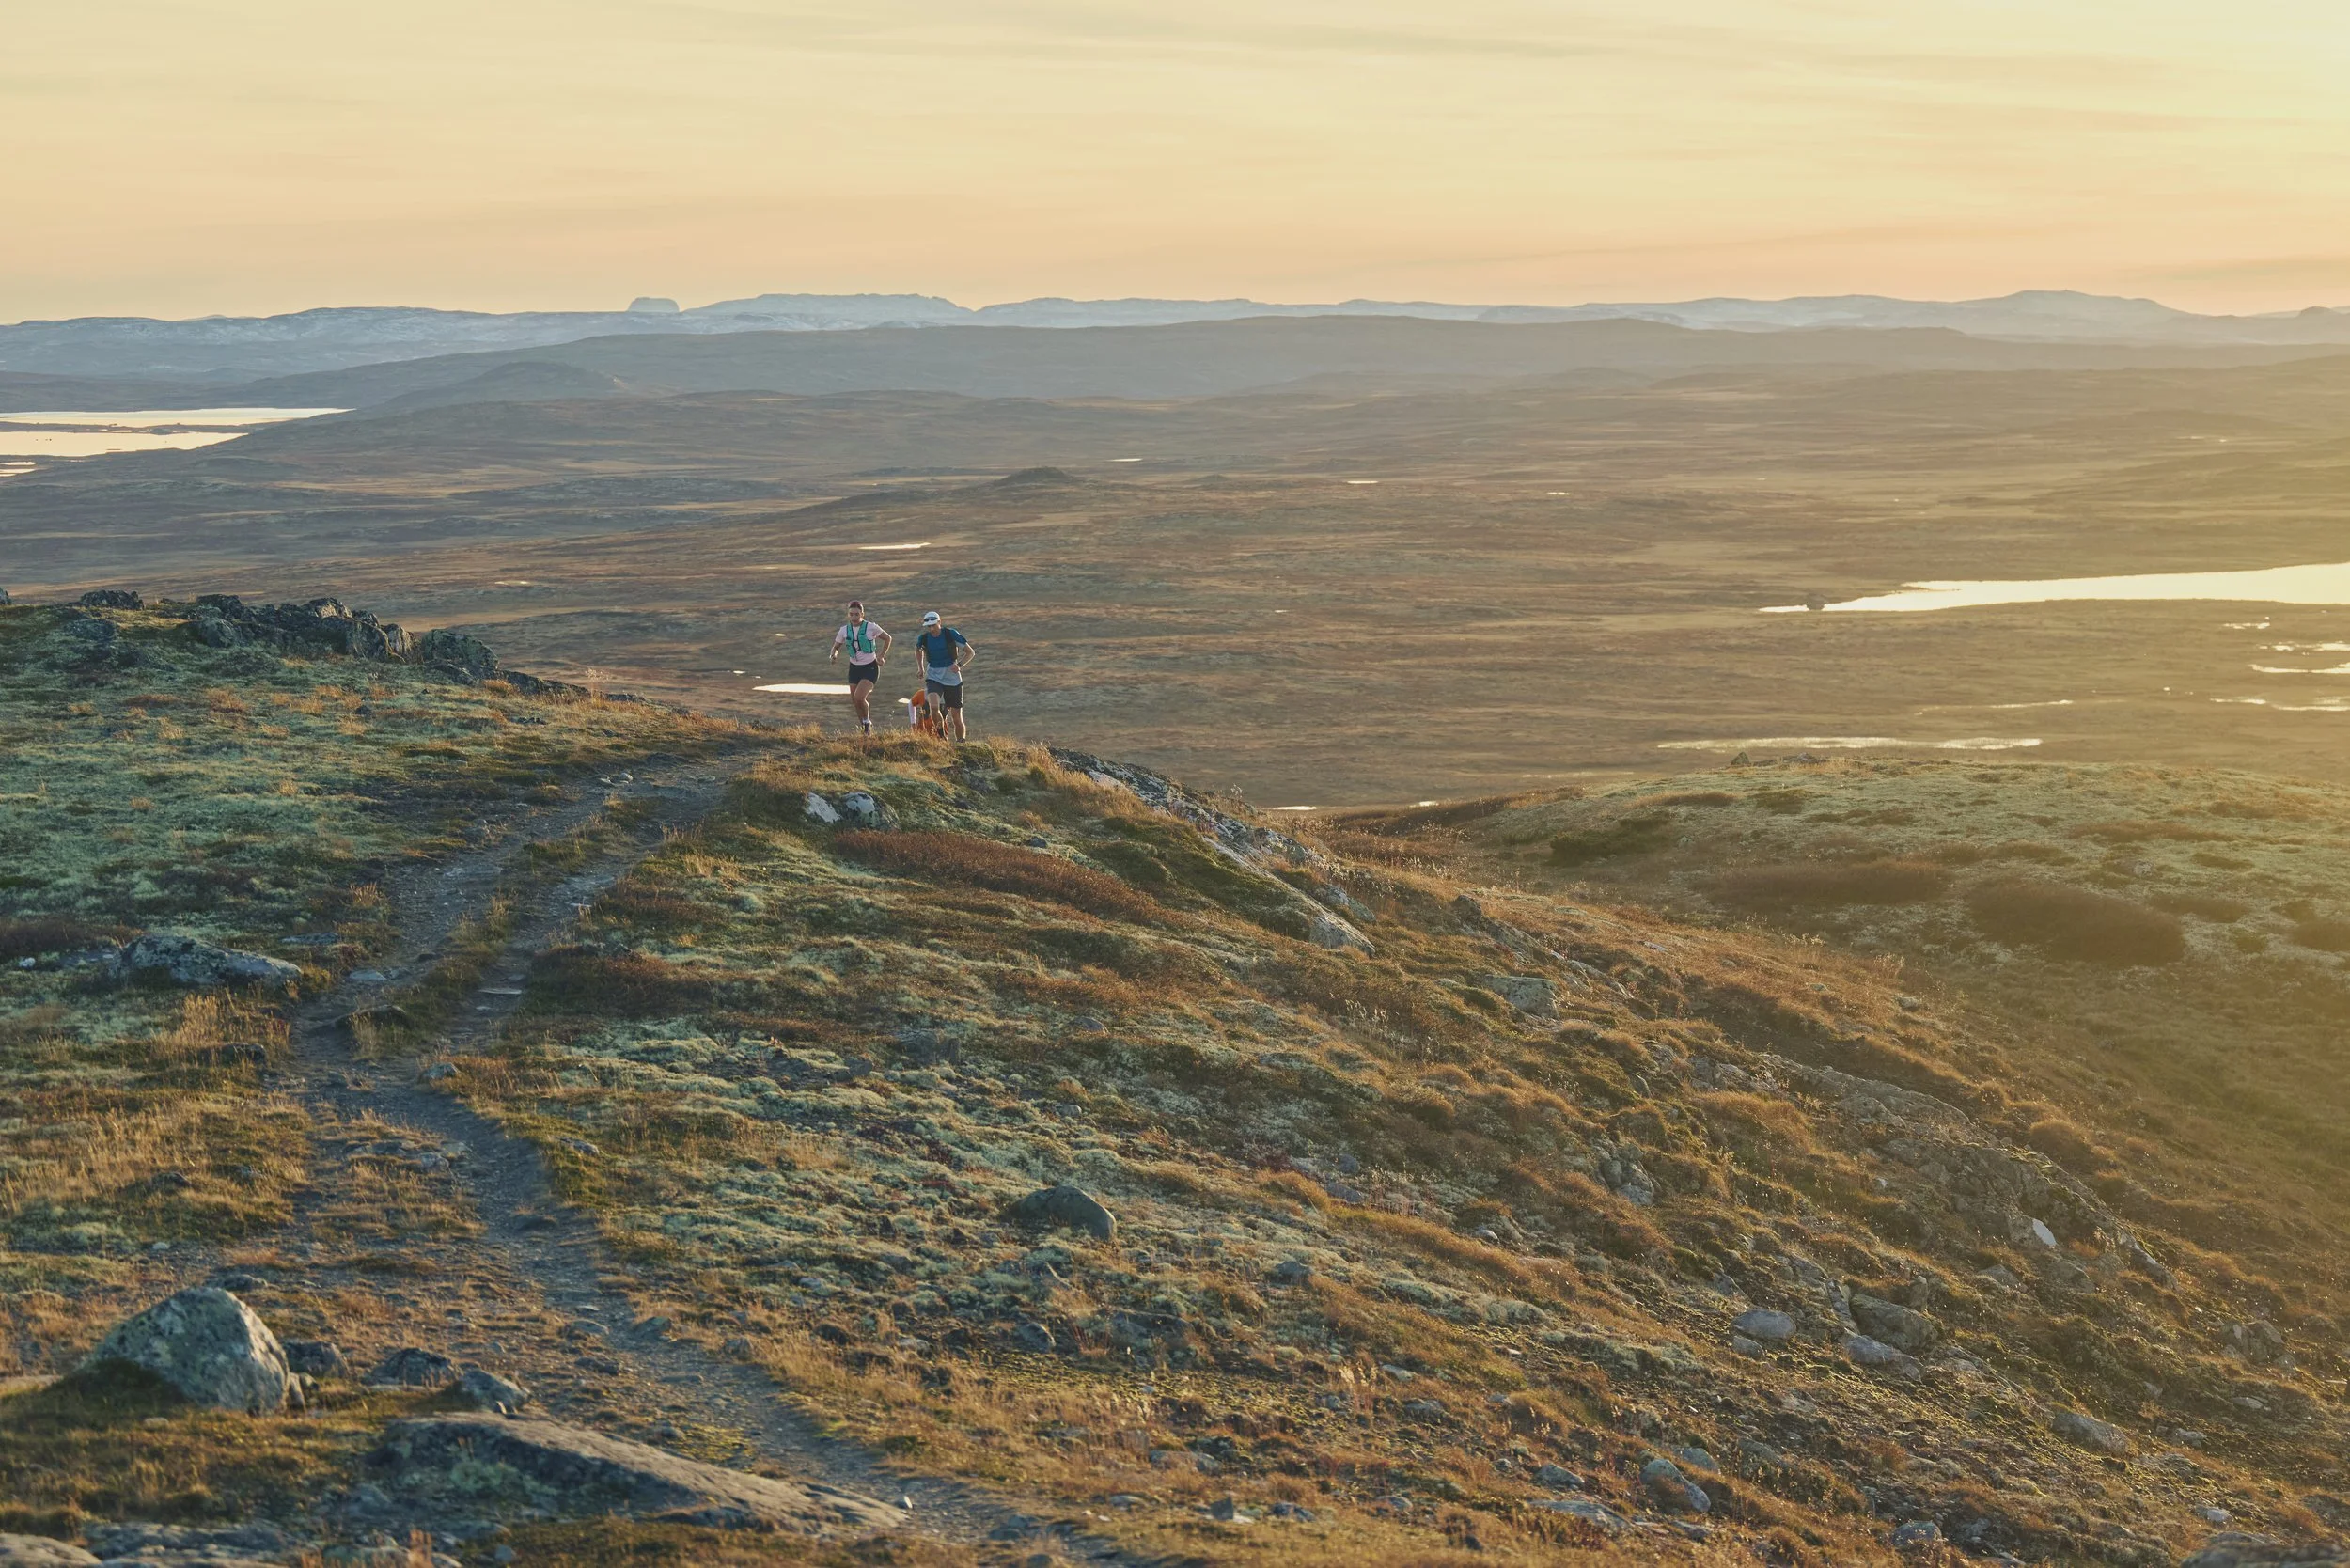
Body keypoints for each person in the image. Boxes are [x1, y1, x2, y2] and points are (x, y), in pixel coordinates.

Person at [829, 600, 892, 734]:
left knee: (859, 697)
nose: (854, 617)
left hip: (870, 667)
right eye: (851, 614)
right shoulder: (844, 630)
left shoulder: (871, 627)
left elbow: (888, 638)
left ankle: (867, 721)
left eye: (857, 614)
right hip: (854, 668)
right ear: (848, 615)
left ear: (862, 614)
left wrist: (881, 656)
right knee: (855, 701)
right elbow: (836, 646)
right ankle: (864, 728)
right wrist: (833, 655)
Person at [911, 610, 975, 741]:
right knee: (934, 707)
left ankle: (961, 743)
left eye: (934, 625)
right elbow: (918, 649)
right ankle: (941, 737)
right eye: (929, 626)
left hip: (952, 678)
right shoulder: (924, 639)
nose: (931, 628)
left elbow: (970, 652)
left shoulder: (950, 634)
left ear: (940, 622)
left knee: (957, 717)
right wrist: (921, 668)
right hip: (934, 676)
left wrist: (960, 665)